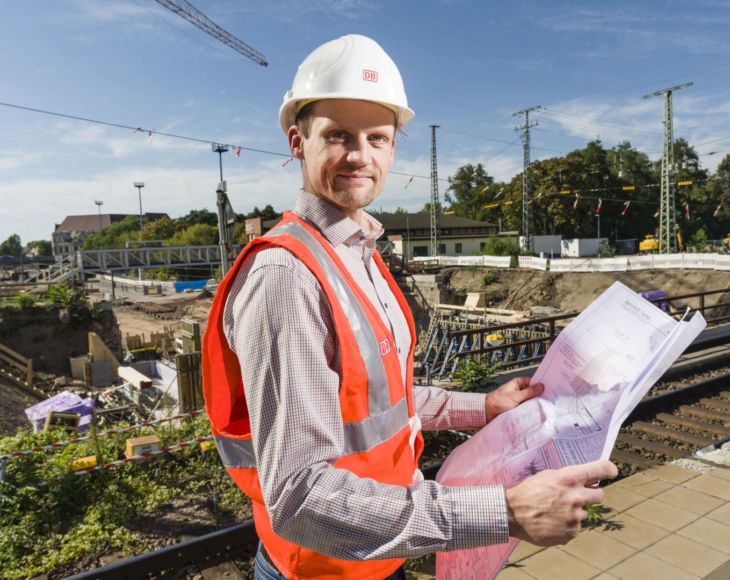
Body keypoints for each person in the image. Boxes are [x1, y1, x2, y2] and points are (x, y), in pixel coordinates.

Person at [202, 34, 618, 580]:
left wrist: (483, 408)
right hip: (320, 571)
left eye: (377, 137)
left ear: (394, 149)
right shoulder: (287, 276)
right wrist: (505, 512)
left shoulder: (359, 254)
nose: (359, 155)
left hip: (377, 558)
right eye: (338, 135)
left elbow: (377, 402)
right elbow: (299, 497)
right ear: (297, 141)